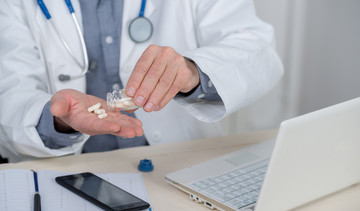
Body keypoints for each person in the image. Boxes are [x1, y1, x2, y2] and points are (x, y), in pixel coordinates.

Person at [0, 0, 283, 163]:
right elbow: (12, 93)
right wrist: (59, 119)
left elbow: (257, 49)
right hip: (65, 174)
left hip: (178, 164)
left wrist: (193, 71)